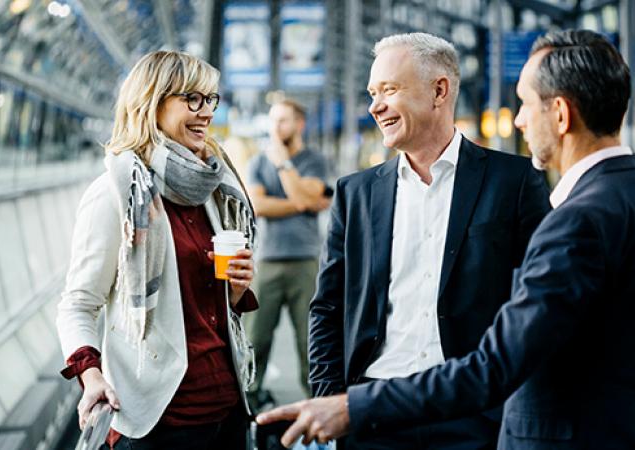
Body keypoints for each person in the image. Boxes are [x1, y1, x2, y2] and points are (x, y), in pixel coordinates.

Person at [257, 30, 635, 449]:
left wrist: (350, 408)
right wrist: (339, 397)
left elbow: (500, 361)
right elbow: (329, 306)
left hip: (488, 420)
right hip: (381, 420)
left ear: (560, 114)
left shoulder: (570, 215)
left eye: (524, 104)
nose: (518, 119)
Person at [305, 32, 550, 449]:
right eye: (371, 93)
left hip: (473, 415)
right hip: (373, 415)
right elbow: (328, 306)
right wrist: (333, 398)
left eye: (389, 90)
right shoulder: (356, 194)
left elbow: (535, 306)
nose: (375, 106)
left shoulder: (515, 182)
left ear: (439, 90)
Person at [57, 50, 258, 450]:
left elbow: (211, 309)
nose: (206, 112)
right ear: (152, 101)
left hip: (227, 407)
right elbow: (78, 303)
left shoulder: (209, 190)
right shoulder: (116, 194)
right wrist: (91, 376)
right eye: (192, 99)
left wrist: (233, 291)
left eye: (211, 99)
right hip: (160, 421)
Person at [246, 99, 331, 408]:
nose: (275, 127)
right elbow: (257, 205)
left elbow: (301, 194)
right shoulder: (257, 162)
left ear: (299, 124)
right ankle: (250, 404)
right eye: (273, 121)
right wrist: (303, 202)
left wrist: (283, 162)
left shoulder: (314, 161)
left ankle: (318, 405)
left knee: (311, 340)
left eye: (282, 120)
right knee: (256, 338)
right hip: (266, 261)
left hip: (306, 262)